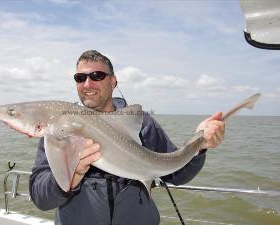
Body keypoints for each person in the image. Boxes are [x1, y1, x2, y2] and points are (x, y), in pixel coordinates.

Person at [29, 50, 225, 225]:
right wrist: (71, 175)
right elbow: (41, 198)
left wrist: (200, 144)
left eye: (97, 75)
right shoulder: (60, 130)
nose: (87, 84)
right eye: (80, 78)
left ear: (113, 81)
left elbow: (178, 173)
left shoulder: (141, 124)